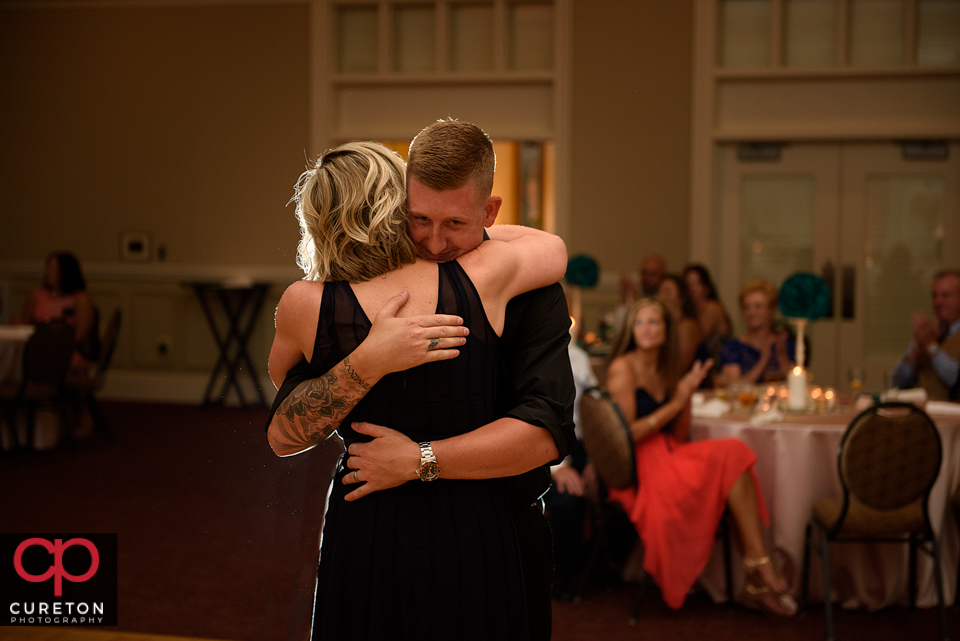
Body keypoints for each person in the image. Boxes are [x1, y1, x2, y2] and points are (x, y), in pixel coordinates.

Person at [266, 122, 576, 640]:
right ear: (395, 210)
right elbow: (283, 431)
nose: (435, 241)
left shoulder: (305, 304)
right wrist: (369, 359)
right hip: (387, 521)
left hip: (482, 517)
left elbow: (545, 433)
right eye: (418, 220)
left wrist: (418, 459)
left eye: (454, 222)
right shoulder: (495, 272)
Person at [604, 297, 796, 616]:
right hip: (639, 462)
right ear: (630, 329)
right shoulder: (622, 368)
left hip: (670, 449)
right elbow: (626, 436)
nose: (646, 329)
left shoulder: (668, 366)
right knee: (728, 465)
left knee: (734, 452)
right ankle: (760, 571)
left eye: (654, 322)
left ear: (667, 330)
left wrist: (688, 394)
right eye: (639, 322)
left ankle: (756, 560)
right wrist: (675, 403)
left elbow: (678, 435)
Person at [18, 251, 98, 374]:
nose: (47, 271)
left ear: (65, 271)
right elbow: (26, 323)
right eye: (47, 267)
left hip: (67, 353)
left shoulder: (80, 298)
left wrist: (53, 345)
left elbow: (80, 335)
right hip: (37, 350)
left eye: (52, 268)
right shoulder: (37, 295)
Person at [890, 269, 960, 400]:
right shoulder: (928, 331)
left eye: (945, 295)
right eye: (934, 296)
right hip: (918, 412)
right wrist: (914, 356)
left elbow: (955, 379)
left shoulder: (929, 338)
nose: (938, 302)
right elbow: (896, 382)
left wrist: (931, 346)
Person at [718, 279, 796, 385]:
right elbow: (734, 388)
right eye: (746, 307)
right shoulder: (733, 347)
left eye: (758, 306)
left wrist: (782, 357)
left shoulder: (784, 345)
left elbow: (796, 386)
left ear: (771, 310)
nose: (751, 312)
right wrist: (763, 360)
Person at [656, 273, 701, 373]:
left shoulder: (687, 327)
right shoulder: (665, 326)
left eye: (667, 291)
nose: (661, 297)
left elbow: (678, 368)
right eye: (660, 291)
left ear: (681, 297)